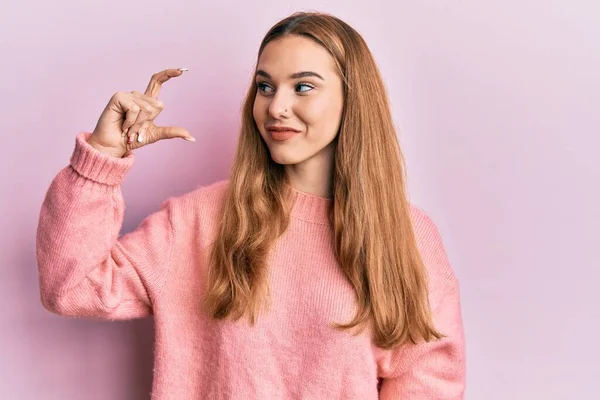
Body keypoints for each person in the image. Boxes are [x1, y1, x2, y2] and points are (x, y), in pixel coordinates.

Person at [36, 11, 466, 400]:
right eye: (265, 86)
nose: (276, 107)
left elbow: (427, 382)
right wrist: (101, 158)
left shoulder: (406, 234)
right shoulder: (196, 221)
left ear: (352, 98)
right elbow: (71, 289)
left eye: (303, 87)